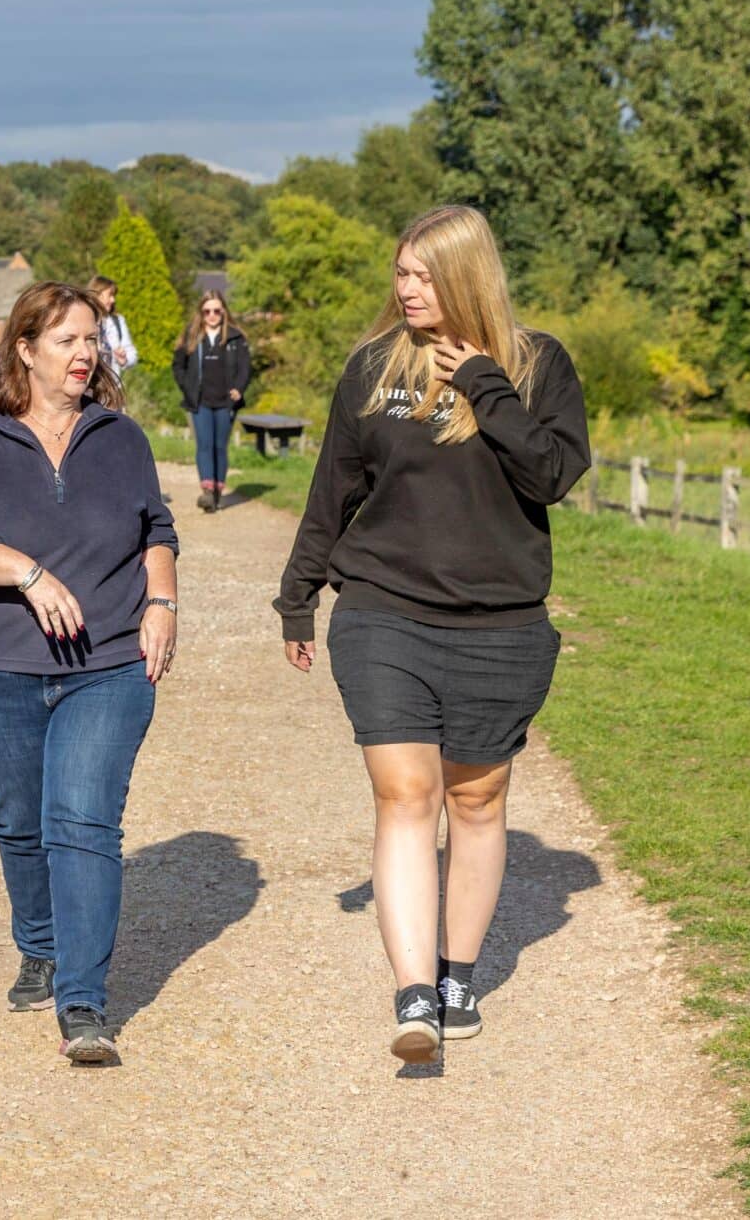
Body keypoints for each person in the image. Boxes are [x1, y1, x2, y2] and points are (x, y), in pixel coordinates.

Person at [274, 206, 589, 1062]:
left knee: (477, 801)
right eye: (401, 275)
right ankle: (414, 995)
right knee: (405, 793)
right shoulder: (373, 368)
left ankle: (458, 975)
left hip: (501, 624)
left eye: (422, 275)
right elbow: (332, 486)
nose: (405, 291)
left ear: (464, 275)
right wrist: (298, 596)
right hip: (384, 610)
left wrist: (485, 382)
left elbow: (553, 474)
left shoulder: (537, 364)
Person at [0, 281, 179, 1066]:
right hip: (0, 667)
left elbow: (156, 528)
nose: (83, 353)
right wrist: (27, 574)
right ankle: (37, 945)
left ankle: (82, 1001)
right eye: (66, 339)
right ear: (25, 350)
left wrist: (162, 601)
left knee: (84, 821)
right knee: (21, 819)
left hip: (108, 666)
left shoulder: (121, 438)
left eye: (91, 339)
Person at [170, 293, 250, 512]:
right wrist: (187, 387)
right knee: (204, 445)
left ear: (223, 311)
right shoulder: (191, 336)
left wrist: (239, 389)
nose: (212, 315)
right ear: (201, 313)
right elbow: (178, 365)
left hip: (226, 402)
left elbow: (245, 368)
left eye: (216, 310)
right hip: (200, 401)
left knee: (219, 446)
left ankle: (217, 491)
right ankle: (207, 490)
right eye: (207, 311)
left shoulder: (236, 338)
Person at [86, 276, 137, 374]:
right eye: (110, 295)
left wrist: (124, 359)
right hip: (86, 386)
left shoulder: (117, 321)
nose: (113, 300)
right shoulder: (82, 319)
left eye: (114, 296)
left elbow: (132, 353)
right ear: (98, 294)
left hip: (112, 386)